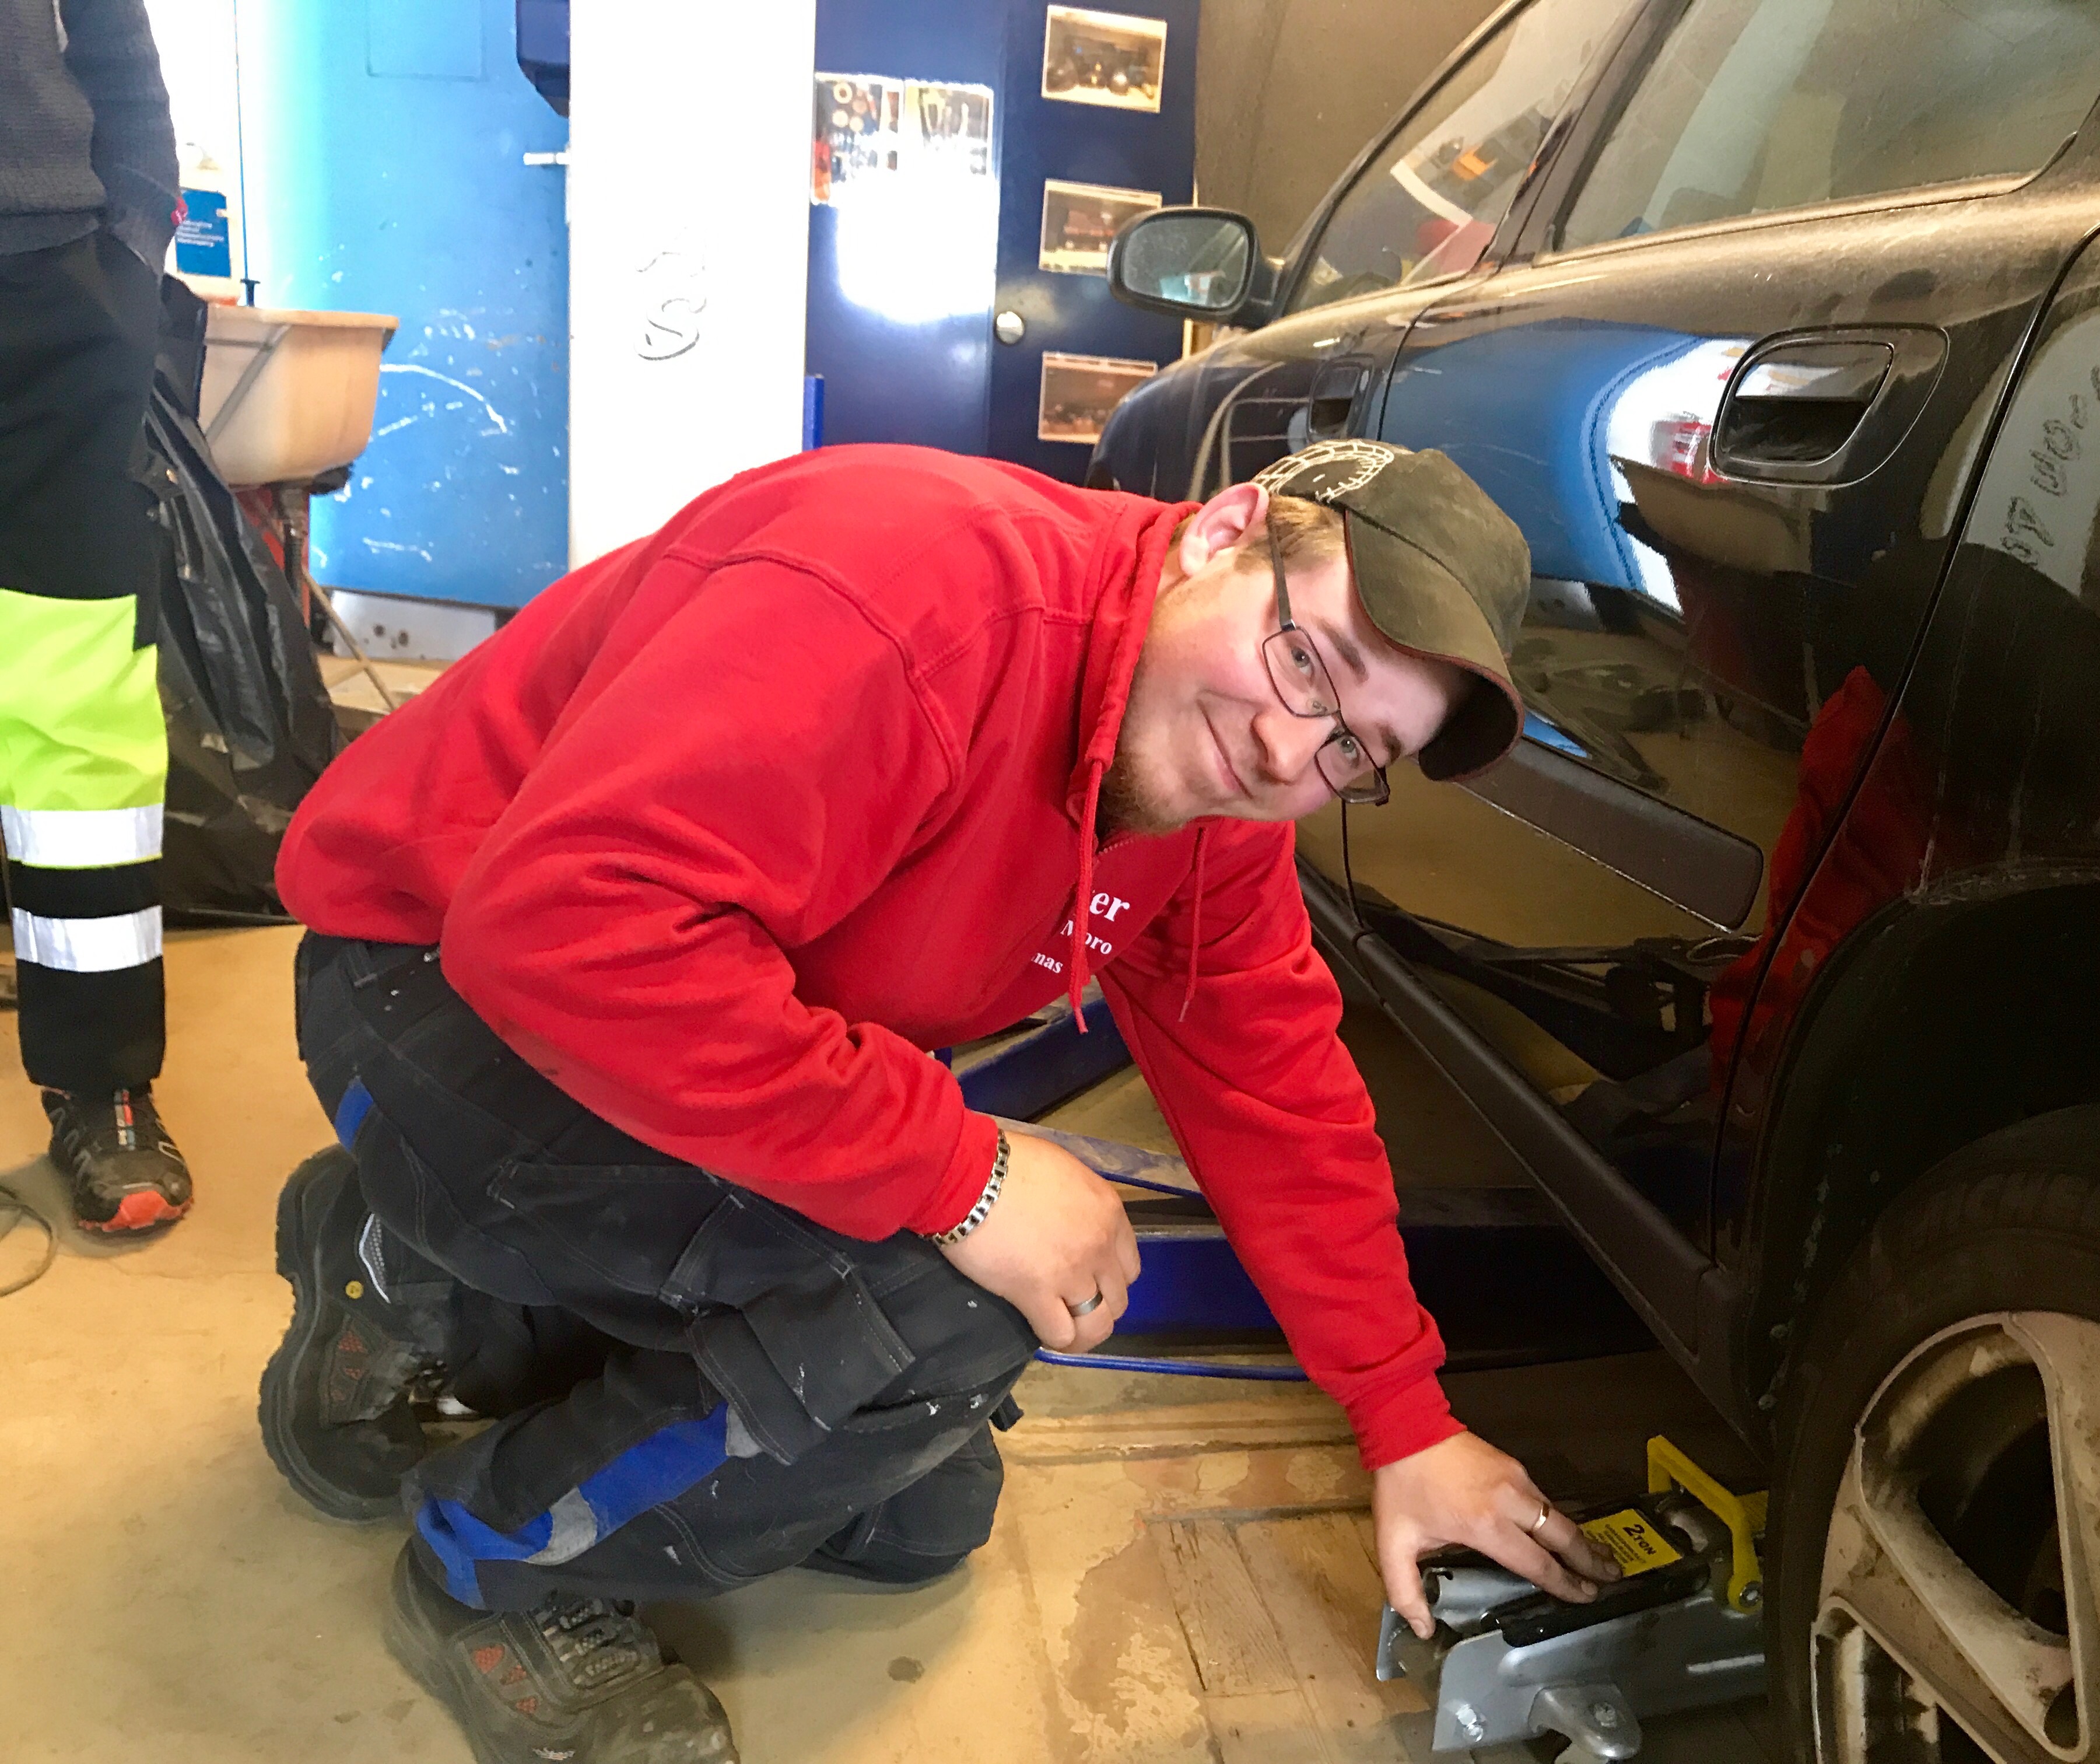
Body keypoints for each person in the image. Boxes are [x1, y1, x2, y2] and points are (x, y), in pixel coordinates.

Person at [263, 438, 1622, 1763]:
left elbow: (1277, 1091)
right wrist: (956, 1173)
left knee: (918, 1517)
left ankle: (411, 1268)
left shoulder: (1213, 801)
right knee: (934, 1316)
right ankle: (490, 1567)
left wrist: (1408, 1422)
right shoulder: (917, 595)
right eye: (1308, 659)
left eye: (1354, 751)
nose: (1286, 747)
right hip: (442, 994)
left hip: (661, 1033)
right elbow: (562, 930)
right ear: (1222, 535)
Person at [0, 0, 194, 1233]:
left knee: (79, 709)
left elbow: (110, 30)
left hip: (52, 282)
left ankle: (104, 1084)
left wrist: (132, 237)